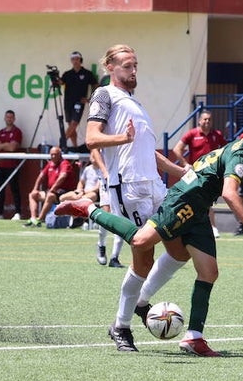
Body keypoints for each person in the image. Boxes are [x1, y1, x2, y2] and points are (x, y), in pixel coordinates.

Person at [56, 117, 243, 357]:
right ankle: (88, 208)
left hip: (201, 205)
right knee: (140, 242)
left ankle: (193, 337)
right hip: (185, 198)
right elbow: (229, 192)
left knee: (206, 269)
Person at [75, 44, 185, 352]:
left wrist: (184, 175)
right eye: (126, 65)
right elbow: (91, 138)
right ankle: (121, 326)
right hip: (129, 188)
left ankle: (141, 301)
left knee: (180, 250)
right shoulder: (104, 95)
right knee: (144, 256)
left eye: (135, 65)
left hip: (153, 186)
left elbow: (150, 154)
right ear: (110, 67)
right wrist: (122, 138)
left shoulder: (134, 103)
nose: (133, 70)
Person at [172, 108, 226, 238]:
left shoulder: (217, 134)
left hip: (211, 174)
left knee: (206, 200)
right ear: (199, 121)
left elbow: (225, 150)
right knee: (188, 198)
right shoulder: (192, 134)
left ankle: (213, 228)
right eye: (205, 119)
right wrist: (185, 164)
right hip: (194, 173)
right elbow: (176, 149)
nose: (207, 121)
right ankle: (183, 226)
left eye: (209, 119)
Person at [24, 146, 76, 225]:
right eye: (51, 155)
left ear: (60, 155)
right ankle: (33, 218)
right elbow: (41, 176)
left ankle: (40, 219)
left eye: (55, 154)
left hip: (62, 193)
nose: (53, 156)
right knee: (33, 194)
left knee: (50, 196)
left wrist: (52, 189)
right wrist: (35, 188)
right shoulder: (50, 164)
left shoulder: (65, 163)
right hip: (51, 191)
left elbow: (62, 177)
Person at [58, 51, 100, 150]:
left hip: (79, 103)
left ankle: (61, 144)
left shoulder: (87, 73)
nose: (75, 61)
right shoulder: (67, 74)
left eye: (77, 59)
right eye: (73, 59)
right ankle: (75, 146)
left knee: (74, 124)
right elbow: (61, 82)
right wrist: (55, 77)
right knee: (71, 126)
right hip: (68, 102)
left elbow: (96, 85)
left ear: (80, 60)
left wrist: (90, 99)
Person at [0, 109, 24, 220]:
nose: (9, 119)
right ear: (4, 118)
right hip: (1, 165)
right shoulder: (0, 132)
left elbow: (12, 147)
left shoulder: (17, 131)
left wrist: (2, 144)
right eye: (7, 117)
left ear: (14, 119)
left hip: (12, 165)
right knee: (0, 189)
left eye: (11, 117)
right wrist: (6, 145)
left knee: (15, 189)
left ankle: (18, 213)